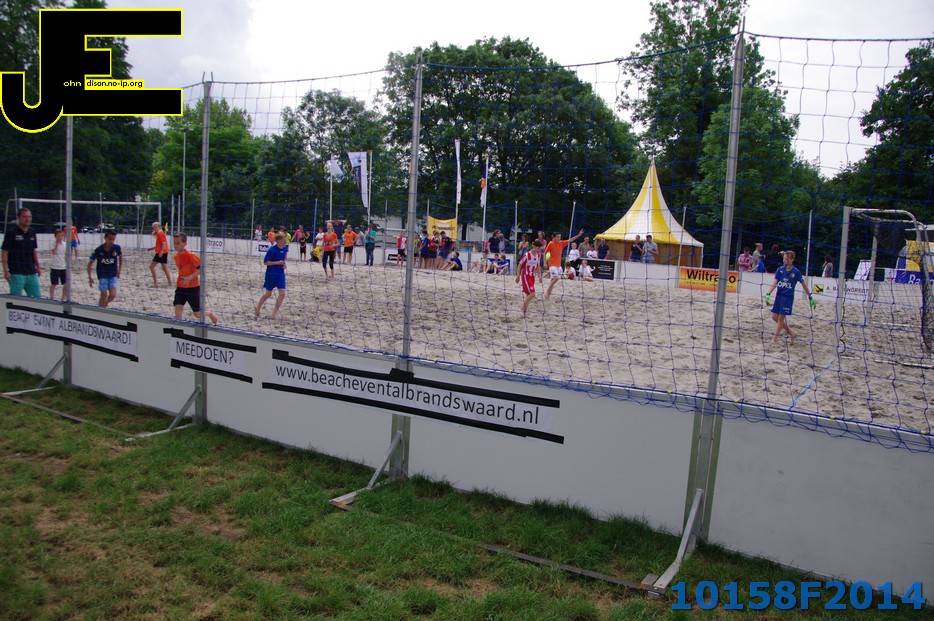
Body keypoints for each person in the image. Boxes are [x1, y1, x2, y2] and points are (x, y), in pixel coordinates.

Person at [764, 250, 814, 345]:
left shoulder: (796, 272)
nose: (785, 260)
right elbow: (775, 282)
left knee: (780, 318)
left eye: (787, 259)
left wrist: (809, 296)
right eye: (784, 259)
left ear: (792, 260)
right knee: (774, 317)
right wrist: (768, 293)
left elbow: (803, 284)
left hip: (787, 298)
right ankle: (791, 333)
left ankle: (774, 339)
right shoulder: (780, 270)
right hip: (779, 296)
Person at [172, 233, 218, 325]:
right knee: (178, 308)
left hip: (192, 288)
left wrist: (189, 278)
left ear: (185, 244)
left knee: (197, 314)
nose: (175, 245)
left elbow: (201, 270)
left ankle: (210, 313)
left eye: (178, 243)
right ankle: (178, 326)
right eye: (174, 243)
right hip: (180, 287)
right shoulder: (176, 256)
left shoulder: (191, 256)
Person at [2, 208, 41, 298]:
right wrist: (5, 271)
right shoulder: (11, 232)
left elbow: (33, 250)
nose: (27, 219)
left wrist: (38, 267)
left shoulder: (32, 232)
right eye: (24, 217)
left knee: (37, 298)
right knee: (16, 299)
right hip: (16, 272)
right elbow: (5, 252)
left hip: (31, 271)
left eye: (29, 217)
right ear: (18, 218)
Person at [544, 229, 584, 300]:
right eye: (558, 237)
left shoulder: (561, 243)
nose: (559, 238)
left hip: (558, 266)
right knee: (556, 278)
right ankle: (547, 292)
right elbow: (545, 253)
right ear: (554, 237)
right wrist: (544, 262)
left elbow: (570, 240)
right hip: (552, 265)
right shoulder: (550, 243)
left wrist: (579, 235)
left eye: (560, 237)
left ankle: (547, 296)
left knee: (553, 280)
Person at [255, 232, 288, 319]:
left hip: (280, 274)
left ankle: (274, 314)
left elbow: (283, 259)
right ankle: (258, 308)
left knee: (282, 293)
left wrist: (284, 264)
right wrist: (277, 262)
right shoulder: (272, 249)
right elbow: (265, 262)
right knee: (268, 294)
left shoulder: (285, 249)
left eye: (284, 239)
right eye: (283, 239)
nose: (284, 241)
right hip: (271, 274)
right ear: (278, 240)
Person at [87, 230, 122, 308]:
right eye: (110, 239)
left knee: (112, 295)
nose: (111, 241)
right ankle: (100, 309)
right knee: (104, 294)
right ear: (105, 238)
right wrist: (90, 277)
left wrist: (119, 270)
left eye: (113, 239)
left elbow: (121, 257)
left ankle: (104, 304)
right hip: (102, 274)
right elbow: (90, 263)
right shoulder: (99, 250)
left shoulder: (116, 247)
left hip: (113, 273)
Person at [516, 239, 543, 316]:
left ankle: (524, 311)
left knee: (528, 294)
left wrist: (540, 276)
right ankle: (521, 309)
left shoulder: (538, 255)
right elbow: (520, 264)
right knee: (532, 293)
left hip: (532, 276)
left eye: (539, 248)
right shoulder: (527, 255)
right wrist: (518, 275)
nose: (538, 250)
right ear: (534, 246)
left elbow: (538, 266)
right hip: (525, 275)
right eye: (537, 248)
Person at [148, 222, 172, 287]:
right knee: (164, 268)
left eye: (156, 227)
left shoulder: (160, 233)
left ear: (159, 227)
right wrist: (152, 248)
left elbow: (164, 243)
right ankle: (169, 283)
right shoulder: (159, 233)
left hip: (162, 253)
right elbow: (159, 245)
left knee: (152, 267)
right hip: (162, 252)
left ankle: (156, 283)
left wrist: (161, 252)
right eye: (154, 227)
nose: (155, 228)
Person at [49, 228, 67, 301]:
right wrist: (57, 244)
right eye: (59, 235)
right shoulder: (52, 243)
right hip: (54, 266)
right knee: (54, 284)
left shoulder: (65, 244)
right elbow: (54, 252)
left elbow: (66, 255)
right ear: (56, 236)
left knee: (65, 283)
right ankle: (52, 298)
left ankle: (63, 298)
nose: (60, 237)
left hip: (63, 266)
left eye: (62, 235)